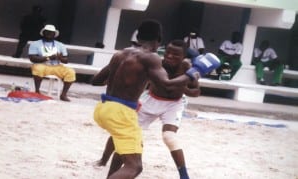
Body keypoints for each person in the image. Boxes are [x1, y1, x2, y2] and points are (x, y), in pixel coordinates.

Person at [91, 19, 219, 179]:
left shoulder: (120, 54)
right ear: (158, 39)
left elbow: (96, 81)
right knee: (134, 166)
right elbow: (167, 85)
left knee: (125, 150)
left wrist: (122, 81)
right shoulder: (151, 58)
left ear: (138, 36)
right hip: (122, 112)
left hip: (103, 108)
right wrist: (196, 71)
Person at [28, 24, 76, 101]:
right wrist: (48, 58)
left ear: (54, 34)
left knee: (70, 71)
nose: (49, 34)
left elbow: (66, 60)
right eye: (47, 32)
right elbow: (32, 58)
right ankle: (37, 91)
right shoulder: (35, 44)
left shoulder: (60, 45)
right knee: (37, 68)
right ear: (43, 33)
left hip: (57, 66)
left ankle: (63, 95)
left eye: (51, 32)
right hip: (42, 65)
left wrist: (60, 58)